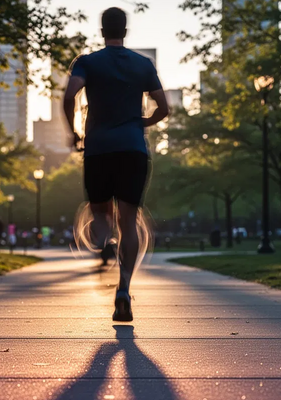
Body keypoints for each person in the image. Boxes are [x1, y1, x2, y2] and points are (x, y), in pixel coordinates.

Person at [63, 7, 169, 322]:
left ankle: (106, 242)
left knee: (100, 217)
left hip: (98, 150)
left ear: (101, 30)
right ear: (125, 30)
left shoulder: (87, 62)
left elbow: (69, 96)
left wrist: (75, 133)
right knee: (129, 220)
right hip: (133, 150)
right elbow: (164, 107)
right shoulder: (142, 65)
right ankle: (123, 288)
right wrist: (141, 122)